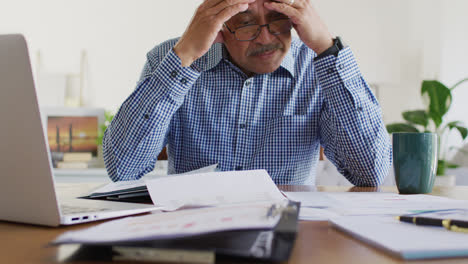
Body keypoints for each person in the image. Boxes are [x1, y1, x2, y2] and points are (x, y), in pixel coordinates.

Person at [103, 0, 392, 186]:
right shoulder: (171, 59)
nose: (265, 38)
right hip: (195, 237)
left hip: (291, 239)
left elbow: (369, 173)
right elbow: (124, 170)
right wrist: (186, 55)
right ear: (219, 22)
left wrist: (328, 50)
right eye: (245, 23)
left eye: (278, 18)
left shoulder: (319, 68)